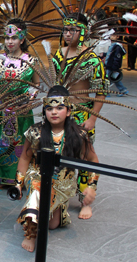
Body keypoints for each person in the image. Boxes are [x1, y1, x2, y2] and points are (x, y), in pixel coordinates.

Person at [14, 86, 99, 252]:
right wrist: (18, 184)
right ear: (44, 110)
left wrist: (91, 186)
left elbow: (93, 161)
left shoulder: (80, 135)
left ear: (68, 111)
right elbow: (25, 157)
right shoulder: (35, 132)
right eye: (49, 108)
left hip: (62, 184)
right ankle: (30, 234)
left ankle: (52, 212)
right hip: (38, 177)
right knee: (37, 195)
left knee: (52, 225)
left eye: (59, 108)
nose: (54, 112)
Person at [52, 13, 108, 219]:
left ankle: (86, 199)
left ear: (83, 32)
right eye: (65, 29)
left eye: (72, 30)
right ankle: (61, 192)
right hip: (61, 113)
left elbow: (100, 92)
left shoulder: (92, 59)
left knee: (85, 156)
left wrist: (92, 118)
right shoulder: (59, 54)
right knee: (60, 154)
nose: (67, 34)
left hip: (82, 114)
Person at [0, 19, 39, 186]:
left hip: (22, 111)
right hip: (0, 109)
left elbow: (36, 84)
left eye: (14, 38)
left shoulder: (31, 60)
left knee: (21, 145)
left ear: (22, 39)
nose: (10, 42)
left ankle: (19, 180)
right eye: (7, 38)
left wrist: (29, 100)